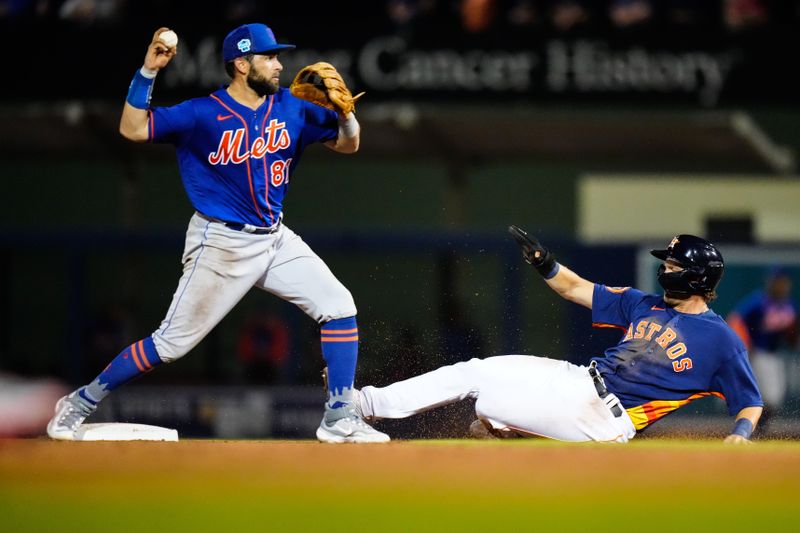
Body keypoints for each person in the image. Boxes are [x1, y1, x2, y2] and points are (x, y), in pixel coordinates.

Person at [46, 23, 388, 443]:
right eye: (269, 57)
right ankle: (79, 402)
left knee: (338, 305)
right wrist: (148, 72)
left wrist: (347, 115)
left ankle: (339, 418)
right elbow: (132, 129)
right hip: (221, 242)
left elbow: (347, 144)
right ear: (242, 64)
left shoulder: (292, 106)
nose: (280, 64)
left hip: (274, 238)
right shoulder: (201, 113)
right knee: (170, 345)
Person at [352, 229, 763, 443]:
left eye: (673, 265)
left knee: (489, 408)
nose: (665, 269)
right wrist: (545, 263)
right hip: (579, 380)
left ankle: (507, 435)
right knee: (476, 371)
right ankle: (363, 403)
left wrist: (740, 437)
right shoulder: (643, 303)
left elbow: (750, 403)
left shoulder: (721, 340)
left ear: (695, 275)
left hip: (605, 419)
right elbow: (575, 288)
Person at [728, 267, 798, 433]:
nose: (780, 285)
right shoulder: (759, 301)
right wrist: (743, 348)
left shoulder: (789, 306)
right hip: (758, 353)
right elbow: (736, 321)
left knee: (775, 399)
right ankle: (752, 428)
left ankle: (755, 428)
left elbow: (792, 335)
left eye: (783, 282)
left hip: (776, 355)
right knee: (768, 398)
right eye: (777, 281)